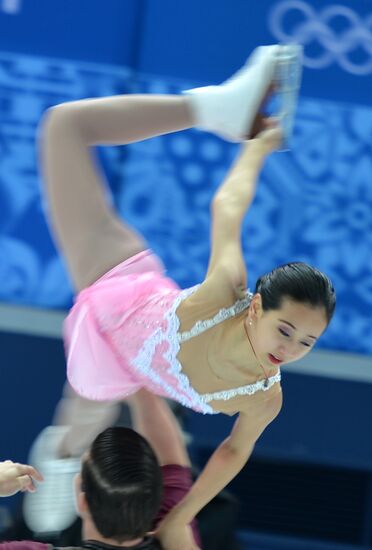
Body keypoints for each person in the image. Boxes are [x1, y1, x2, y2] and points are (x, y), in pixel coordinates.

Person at [24, 44, 335, 550]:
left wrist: (180, 516)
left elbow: (232, 455)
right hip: (120, 288)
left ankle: (63, 455)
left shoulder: (265, 397)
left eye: (307, 342)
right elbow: (227, 205)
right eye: (286, 329)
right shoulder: (226, 293)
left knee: (82, 416)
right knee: (64, 127)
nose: (290, 349)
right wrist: (255, 148)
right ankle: (214, 107)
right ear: (256, 306)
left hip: (116, 365)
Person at [2, 391, 202, 549]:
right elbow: (172, 462)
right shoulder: (180, 541)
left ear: (83, 503)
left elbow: (172, 467)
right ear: (159, 503)